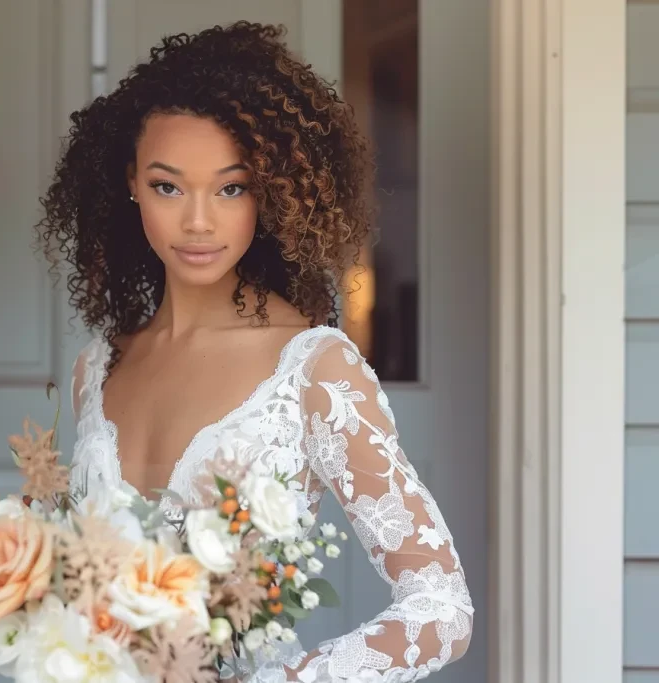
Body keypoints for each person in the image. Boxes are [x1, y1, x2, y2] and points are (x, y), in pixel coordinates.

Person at [35, 21, 473, 683]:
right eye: (168, 186)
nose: (200, 221)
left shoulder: (314, 370)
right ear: (131, 183)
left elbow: (441, 610)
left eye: (231, 187)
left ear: (269, 191)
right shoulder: (97, 368)